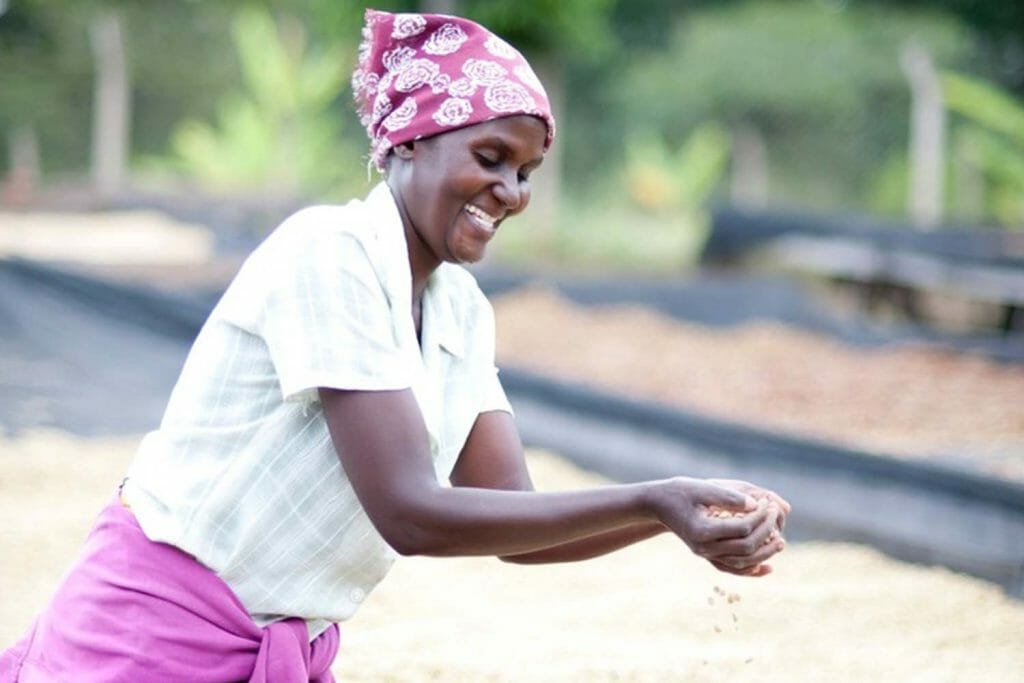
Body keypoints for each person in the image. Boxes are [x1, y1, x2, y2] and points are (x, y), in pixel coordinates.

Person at [0, 9, 789, 682]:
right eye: (490, 158)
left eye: (526, 171)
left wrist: (679, 516)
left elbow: (514, 518)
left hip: (276, 643)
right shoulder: (329, 254)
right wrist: (653, 497)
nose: (511, 192)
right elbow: (410, 513)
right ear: (410, 142)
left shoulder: (458, 311)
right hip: (151, 632)